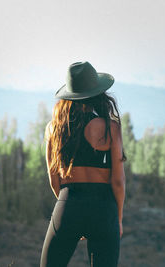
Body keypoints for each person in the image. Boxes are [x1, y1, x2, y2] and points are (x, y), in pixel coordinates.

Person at [40, 61, 126, 267]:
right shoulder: (110, 128)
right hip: (104, 208)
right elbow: (118, 181)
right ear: (98, 93)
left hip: (69, 201)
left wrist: (70, 209)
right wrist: (118, 218)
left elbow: (54, 179)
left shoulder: (54, 129)